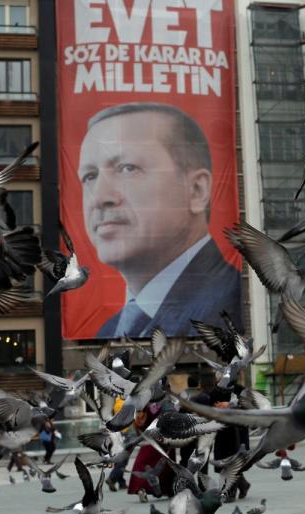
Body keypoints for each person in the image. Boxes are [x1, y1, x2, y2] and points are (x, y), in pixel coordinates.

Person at [78, 102, 242, 338]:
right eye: (89, 176)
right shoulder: (109, 331)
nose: (100, 197)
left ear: (196, 190)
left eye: (127, 168)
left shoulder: (229, 306)